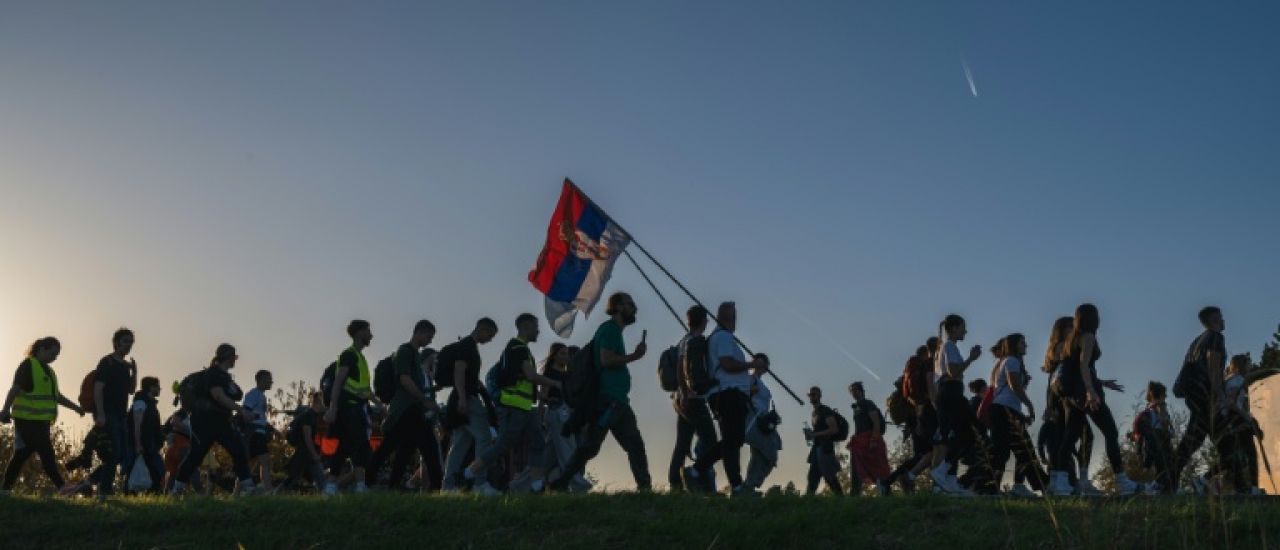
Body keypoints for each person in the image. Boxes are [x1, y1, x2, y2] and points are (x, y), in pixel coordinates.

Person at [550, 292, 651, 492]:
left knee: (610, 445)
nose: (634, 308)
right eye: (630, 304)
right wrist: (634, 356)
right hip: (610, 400)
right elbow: (606, 360)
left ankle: (561, 482)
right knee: (599, 446)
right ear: (619, 307)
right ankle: (561, 482)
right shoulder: (610, 330)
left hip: (616, 401)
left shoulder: (612, 331)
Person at [1046, 304, 1140, 496]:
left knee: (1070, 436)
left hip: (1071, 396)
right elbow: (1083, 366)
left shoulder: (1071, 339)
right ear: (1093, 318)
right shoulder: (1088, 336)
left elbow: (1074, 367)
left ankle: (1060, 482)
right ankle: (1122, 481)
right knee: (1111, 432)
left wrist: (1102, 382)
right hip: (1085, 395)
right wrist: (1091, 390)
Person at [465, 314, 561, 495]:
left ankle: (536, 484)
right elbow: (532, 376)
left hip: (525, 407)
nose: (538, 330)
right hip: (513, 406)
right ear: (525, 326)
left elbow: (525, 381)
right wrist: (555, 383)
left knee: (538, 442)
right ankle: (472, 471)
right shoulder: (517, 347)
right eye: (535, 326)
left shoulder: (523, 349)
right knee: (503, 445)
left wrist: (543, 397)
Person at [0, 337, 85, 494]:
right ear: (42, 349)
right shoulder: (28, 366)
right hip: (27, 419)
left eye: (57, 355)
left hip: (41, 422)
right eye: (53, 353)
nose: (55, 358)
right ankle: (62, 486)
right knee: (47, 452)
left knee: (21, 455)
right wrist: (5, 410)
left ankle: (5, 489)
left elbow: (57, 396)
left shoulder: (50, 372)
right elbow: (15, 389)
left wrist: (76, 408)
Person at [170, 344, 257, 495]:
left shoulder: (223, 376)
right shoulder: (214, 374)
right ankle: (177, 488)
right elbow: (218, 395)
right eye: (234, 357)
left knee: (236, 450)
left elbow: (231, 394)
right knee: (197, 456)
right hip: (207, 421)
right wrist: (241, 410)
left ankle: (248, 487)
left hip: (217, 421)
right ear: (228, 357)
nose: (235, 360)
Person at [367, 321, 443, 491]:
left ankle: (391, 485)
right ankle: (437, 488)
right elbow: (404, 379)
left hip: (413, 409)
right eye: (429, 337)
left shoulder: (415, 354)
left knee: (405, 448)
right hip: (406, 409)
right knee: (406, 447)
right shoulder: (405, 351)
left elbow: (414, 381)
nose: (430, 341)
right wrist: (425, 400)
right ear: (420, 332)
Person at [707, 302, 770, 494]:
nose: (735, 321)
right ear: (728, 319)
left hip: (730, 394)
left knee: (732, 441)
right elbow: (727, 364)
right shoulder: (724, 337)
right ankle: (736, 485)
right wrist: (751, 364)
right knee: (732, 442)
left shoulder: (722, 337)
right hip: (728, 393)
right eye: (733, 317)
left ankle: (700, 470)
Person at [1173, 307, 1228, 494]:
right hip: (1207, 398)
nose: (1223, 320)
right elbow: (1213, 367)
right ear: (1214, 319)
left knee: (1191, 442)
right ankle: (1189, 482)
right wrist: (1221, 398)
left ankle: (1170, 482)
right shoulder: (1215, 338)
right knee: (1229, 446)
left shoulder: (1196, 341)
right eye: (1221, 317)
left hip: (1195, 397)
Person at [440, 318, 498, 492]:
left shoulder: (468, 346)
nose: (490, 339)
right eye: (490, 334)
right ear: (481, 329)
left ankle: (448, 486)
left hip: (461, 397)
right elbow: (459, 371)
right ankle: (480, 482)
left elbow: (463, 373)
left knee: (459, 444)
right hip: (467, 400)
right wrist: (463, 398)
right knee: (485, 437)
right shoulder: (467, 346)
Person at [985, 335, 1046, 498]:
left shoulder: (1003, 362)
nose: (1026, 345)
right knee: (1022, 449)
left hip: (1004, 409)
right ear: (1014, 345)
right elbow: (1014, 385)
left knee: (1007, 450)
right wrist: (1029, 404)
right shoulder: (1012, 360)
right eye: (1022, 342)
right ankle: (1043, 486)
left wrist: (1021, 414)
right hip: (1005, 409)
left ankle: (990, 487)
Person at [671, 305, 723, 493]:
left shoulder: (684, 340)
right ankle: (698, 477)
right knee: (710, 441)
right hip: (694, 398)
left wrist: (682, 392)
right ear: (703, 321)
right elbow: (690, 370)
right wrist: (697, 388)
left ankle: (675, 485)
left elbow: (678, 368)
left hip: (680, 399)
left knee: (682, 443)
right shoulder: (696, 341)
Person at [929, 314, 982, 495]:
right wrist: (971, 358)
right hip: (951, 392)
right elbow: (953, 372)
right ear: (953, 328)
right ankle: (942, 470)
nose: (965, 331)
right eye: (962, 327)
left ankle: (950, 478)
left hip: (949, 392)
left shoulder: (944, 348)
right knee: (970, 431)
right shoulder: (949, 346)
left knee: (958, 434)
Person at [323, 320, 376, 495]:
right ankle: (347, 485)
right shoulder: (349, 355)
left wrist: (379, 404)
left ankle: (339, 485)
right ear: (360, 333)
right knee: (356, 445)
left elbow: (365, 389)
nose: (371, 335)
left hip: (358, 409)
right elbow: (339, 382)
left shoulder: (361, 358)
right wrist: (333, 408)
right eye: (368, 331)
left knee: (353, 446)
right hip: (349, 409)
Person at [89, 328, 139, 499]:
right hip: (107, 414)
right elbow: (97, 389)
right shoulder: (107, 362)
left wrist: (134, 372)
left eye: (131, 342)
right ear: (117, 342)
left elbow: (131, 390)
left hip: (121, 414)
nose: (129, 345)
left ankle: (91, 482)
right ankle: (104, 491)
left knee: (122, 454)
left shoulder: (125, 367)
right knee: (113, 453)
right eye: (126, 341)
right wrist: (100, 414)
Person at [882, 344, 934, 494]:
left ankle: (901, 483)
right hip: (918, 419)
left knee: (923, 455)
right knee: (924, 455)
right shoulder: (921, 371)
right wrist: (918, 421)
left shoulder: (908, 376)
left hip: (913, 420)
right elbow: (918, 401)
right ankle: (891, 481)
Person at [541, 343, 592, 492]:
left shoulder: (568, 375)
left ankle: (525, 483)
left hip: (567, 413)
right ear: (554, 356)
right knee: (568, 449)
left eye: (567, 354)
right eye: (562, 353)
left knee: (548, 455)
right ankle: (579, 485)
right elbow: (543, 395)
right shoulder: (550, 373)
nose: (566, 357)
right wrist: (542, 414)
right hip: (556, 412)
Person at [1220, 354, 1263, 494]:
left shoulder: (1228, 380)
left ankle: (1235, 486)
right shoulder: (1238, 380)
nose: (1249, 367)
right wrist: (1246, 416)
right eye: (1247, 364)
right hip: (1237, 418)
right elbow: (1232, 403)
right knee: (1250, 453)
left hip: (1230, 420)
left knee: (1235, 455)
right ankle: (1254, 487)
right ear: (1240, 366)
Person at [739, 375, 781, 497]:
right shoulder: (750, 378)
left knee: (769, 451)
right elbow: (741, 392)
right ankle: (749, 486)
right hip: (753, 419)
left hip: (763, 420)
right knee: (763, 452)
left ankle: (749, 485)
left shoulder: (763, 385)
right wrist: (750, 390)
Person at [846, 382, 889, 495]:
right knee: (856, 468)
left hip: (870, 440)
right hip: (859, 443)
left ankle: (885, 493)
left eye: (856, 390)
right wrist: (853, 440)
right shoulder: (856, 408)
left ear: (862, 391)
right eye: (852, 391)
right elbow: (859, 426)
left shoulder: (868, 403)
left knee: (879, 468)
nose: (854, 393)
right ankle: (855, 495)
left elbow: (876, 422)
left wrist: (874, 439)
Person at [124, 376, 165, 493]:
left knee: (155, 471)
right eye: (158, 386)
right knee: (135, 470)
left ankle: (152, 494)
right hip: (142, 444)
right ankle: (130, 494)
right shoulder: (141, 402)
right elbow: (137, 424)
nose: (159, 389)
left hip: (149, 444)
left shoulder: (149, 403)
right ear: (151, 387)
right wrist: (138, 444)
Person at [1133, 381, 1175, 495]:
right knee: (1162, 469)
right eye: (1164, 394)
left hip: (1153, 447)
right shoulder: (1156, 409)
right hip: (1157, 446)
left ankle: (1155, 487)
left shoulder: (1148, 411)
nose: (1166, 397)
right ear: (1161, 395)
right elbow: (1165, 425)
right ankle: (1153, 488)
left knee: (1159, 469)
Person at [282, 391, 328, 493]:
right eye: (324, 401)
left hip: (307, 452)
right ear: (318, 402)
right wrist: (314, 454)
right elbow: (307, 438)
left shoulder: (315, 416)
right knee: (294, 477)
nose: (326, 404)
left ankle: (277, 493)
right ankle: (276, 493)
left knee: (296, 476)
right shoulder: (308, 416)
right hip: (305, 452)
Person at [804, 386, 843, 496]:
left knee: (829, 476)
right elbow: (819, 430)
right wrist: (811, 434)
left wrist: (814, 434)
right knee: (813, 476)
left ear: (820, 396)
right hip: (816, 447)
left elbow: (834, 429)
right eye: (811, 395)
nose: (812, 397)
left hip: (825, 448)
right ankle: (808, 500)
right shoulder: (814, 413)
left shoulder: (825, 410)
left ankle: (841, 499)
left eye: (814, 394)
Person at [242, 369, 274, 492]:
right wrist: (257, 418)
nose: (271, 381)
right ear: (261, 380)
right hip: (254, 433)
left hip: (259, 432)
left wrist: (271, 428)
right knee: (265, 460)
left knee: (250, 464)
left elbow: (259, 416)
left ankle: (236, 493)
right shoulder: (253, 394)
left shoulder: (262, 396)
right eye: (269, 379)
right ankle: (269, 490)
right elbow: (246, 412)